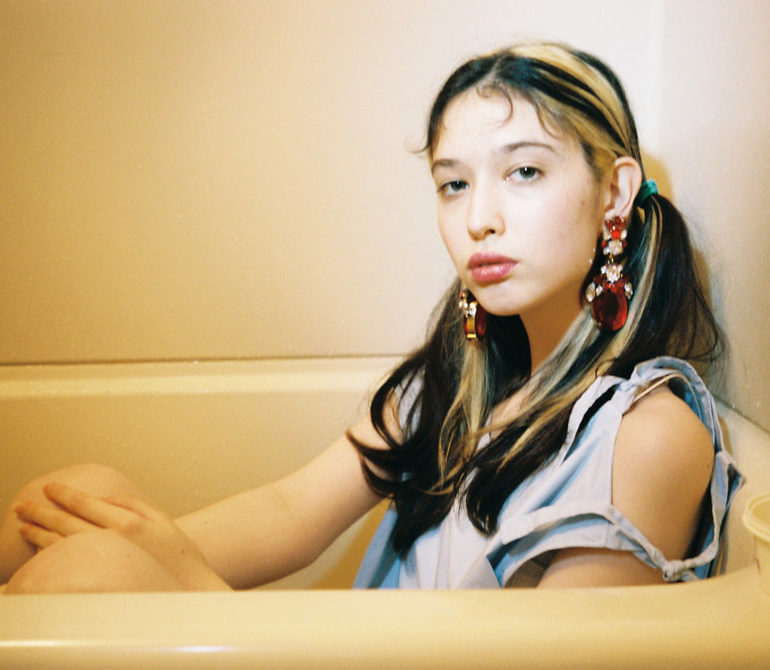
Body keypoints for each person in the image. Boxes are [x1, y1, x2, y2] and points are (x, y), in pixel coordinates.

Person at [1, 42, 742, 593]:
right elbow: (292, 512)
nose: (478, 219)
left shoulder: (646, 435)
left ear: (614, 193)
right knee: (77, 502)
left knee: (88, 568)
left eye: (524, 171)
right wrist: (151, 546)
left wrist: (182, 583)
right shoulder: (450, 387)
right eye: (453, 184)